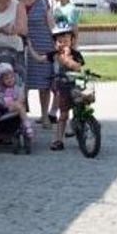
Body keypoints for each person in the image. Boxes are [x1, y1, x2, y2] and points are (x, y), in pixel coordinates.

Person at [17, 0, 55, 127]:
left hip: (43, 44)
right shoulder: (16, 3)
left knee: (44, 84)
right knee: (22, 83)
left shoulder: (43, 2)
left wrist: (58, 42)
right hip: (23, 45)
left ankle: (45, 115)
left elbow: (51, 23)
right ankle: (22, 118)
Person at [48, 22, 85, 151]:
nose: (63, 42)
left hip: (75, 85)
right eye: (60, 40)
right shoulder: (57, 55)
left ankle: (83, 127)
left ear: (72, 40)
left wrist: (70, 58)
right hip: (63, 87)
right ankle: (58, 139)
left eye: (66, 39)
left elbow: (78, 66)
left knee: (81, 106)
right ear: (56, 42)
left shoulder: (76, 54)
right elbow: (43, 58)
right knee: (63, 114)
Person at [0, 62, 32, 142]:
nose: (10, 80)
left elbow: (21, 98)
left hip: (12, 107)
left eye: (11, 78)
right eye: (6, 79)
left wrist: (15, 102)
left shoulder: (17, 88)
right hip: (0, 107)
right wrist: (1, 103)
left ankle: (27, 125)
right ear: (1, 80)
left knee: (21, 107)